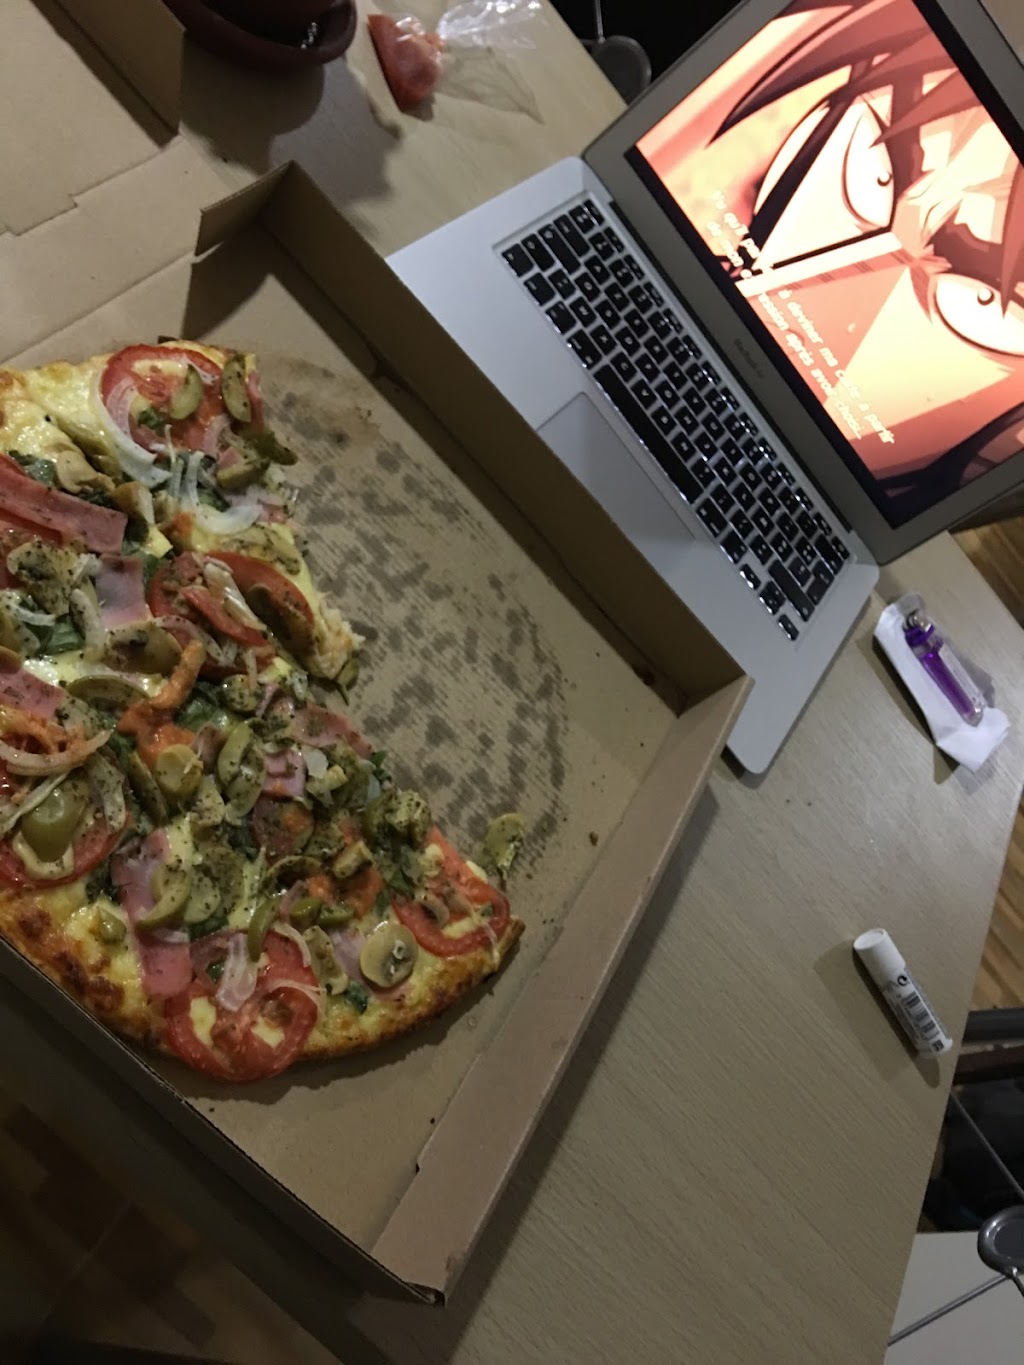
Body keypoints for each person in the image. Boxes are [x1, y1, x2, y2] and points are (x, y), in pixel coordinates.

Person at [637, 0, 1024, 520]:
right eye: (876, 173)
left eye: (983, 300)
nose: (842, 275)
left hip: (814, 491)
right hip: (654, 296)